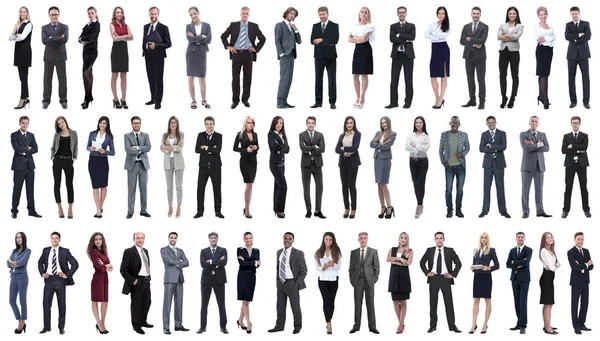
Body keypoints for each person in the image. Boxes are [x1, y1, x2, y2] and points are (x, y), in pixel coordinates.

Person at [221, 6, 266, 109]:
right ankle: (235, 101)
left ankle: (245, 99)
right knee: (235, 78)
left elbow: (263, 38)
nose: (245, 15)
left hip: (248, 54)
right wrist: (228, 46)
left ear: (249, 15)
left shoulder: (254, 26)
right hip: (236, 53)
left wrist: (256, 48)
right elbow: (223, 36)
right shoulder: (234, 25)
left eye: (247, 13)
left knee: (247, 78)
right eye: (243, 13)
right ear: (240, 14)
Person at [419, 232, 462, 333]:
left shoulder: (450, 251)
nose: (439, 240)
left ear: (444, 239)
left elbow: (459, 263)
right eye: (437, 238)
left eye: (441, 238)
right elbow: (422, 262)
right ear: (434, 240)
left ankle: (452, 326)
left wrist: (452, 274)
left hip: (445, 278)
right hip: (433, 279)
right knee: (433, 303)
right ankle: (432, 326)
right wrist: (427, 272)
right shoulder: (429, 250)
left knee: (449, 303)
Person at [38, 231, 79, 335]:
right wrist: (42, 273)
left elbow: (75, 264)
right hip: (49, 280)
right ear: (50, 239)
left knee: (61, 304)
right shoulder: (46, 250)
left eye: (56, 238)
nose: (54, 240)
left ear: (59, 239)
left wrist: (67, 275)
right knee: (46, 304)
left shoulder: (65, 251)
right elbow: (40, 262)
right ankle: (46, 327)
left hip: (60, 280)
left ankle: (61, 327)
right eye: (52, 238)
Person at [268, 232, 307, 334]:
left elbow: (304, 270)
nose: (287, 241)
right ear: (283, 239)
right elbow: (278, 267)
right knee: (280, 306)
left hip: (292, 283)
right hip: (281, 283)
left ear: (293, 241)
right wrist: (277, 281)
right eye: (285, 238)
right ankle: (279, 326)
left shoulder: (298, 253)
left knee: (295, 306)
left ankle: (297, 326)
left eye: (290, 239)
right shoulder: (279, 252)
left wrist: (297, 283)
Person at [120, 232, 153, 335]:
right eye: (137, 238)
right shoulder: (129, 251)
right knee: (136, 305)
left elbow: (146, 265)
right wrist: (133, 280)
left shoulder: (146, 251)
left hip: (146, 280)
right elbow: (123, 270)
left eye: (142, 238)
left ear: (144, 239)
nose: (140, 240)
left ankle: (143, 321)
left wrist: (148, 277)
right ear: (134, 239)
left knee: (147, 302)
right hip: (136, 281)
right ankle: (136, 326)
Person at [520, 116, 551, 218]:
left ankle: (540, 211)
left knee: (539, 190)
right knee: (525, 189)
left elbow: (547, 148)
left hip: (539, 166)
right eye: (532, 121)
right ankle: (525, 211)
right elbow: (526, 148)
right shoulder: (523, 134)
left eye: (536, 121)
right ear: (529, 123)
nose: (534, 123)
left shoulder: (542, 135)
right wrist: (538, 145)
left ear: (538, 123)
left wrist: (533, 145)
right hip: (527, 166)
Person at [479, 116, 510, 218]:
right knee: (486, 188)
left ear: (496, 122)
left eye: (493, 122)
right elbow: (481, 148)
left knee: (500, 188)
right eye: (489, 123)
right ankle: (484, 210)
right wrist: (496, 149)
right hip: (488, 165)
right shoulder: (484, 134)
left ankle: (503, 211)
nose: (491, 124)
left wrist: (491, 146)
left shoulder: (502, 133)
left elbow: (504, 147)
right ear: (487, 124)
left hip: (499, 164)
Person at [349, 232, 379, 334]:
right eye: (361, 238)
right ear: (358, 240)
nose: (362, 240)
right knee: (357, 304)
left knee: (370, 304)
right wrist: (353, 280)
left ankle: (372, 327)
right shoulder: (354, 252)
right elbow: (351, 268)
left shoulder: (373, 252)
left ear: (367, 239)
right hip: (358, 281)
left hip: (369, 281)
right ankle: (356, 326)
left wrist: (374, 279)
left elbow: (376, 267)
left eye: (364, 238)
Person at [11, 116, 41, 219]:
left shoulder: (31, 135)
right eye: (23, 123)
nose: (25, 125)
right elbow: (16, 148)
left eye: (26, 123)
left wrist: (23, 150)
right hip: (19, 166)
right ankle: (14, 210)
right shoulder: (14, 135)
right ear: (19, 123)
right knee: (17, 189)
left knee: (30, 189)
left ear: (28, 124)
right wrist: (27, 149)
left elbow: (36, 148)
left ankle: (31, 211)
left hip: (30, 166)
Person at [439, 116, 470, 218]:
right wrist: (443, 161)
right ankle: (449, 210)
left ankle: (458, 210)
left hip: (461, 166)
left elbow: (468, 147)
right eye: (453, 122)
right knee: (448, 190)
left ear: (459, 124)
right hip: (449, 166)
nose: (454, 124)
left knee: (460, 190)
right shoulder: (444, 135)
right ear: (450, 123)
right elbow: (440, 150)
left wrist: (462, 153)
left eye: (456, 123)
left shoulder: (464, 135)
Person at [469, 232, 499, 334]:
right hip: (477, 276)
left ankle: (485, 324)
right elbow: (473, 263)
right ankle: (473, 324)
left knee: (487, 300)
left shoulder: (491, 250)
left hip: (486, 277)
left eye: (485, 238)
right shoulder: (476, 250)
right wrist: (472, 268)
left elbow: (497, 265)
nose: (484, 239)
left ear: (488, 239)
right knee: (476, 300)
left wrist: (488, 268)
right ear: (480, 239)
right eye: (482, 238)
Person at [198, 232, 228, 334]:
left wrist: (210, 261)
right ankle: (202, 327)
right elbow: (203, 264)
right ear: (209, 239)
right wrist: (216, 263)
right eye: (212, 238)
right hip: (206, 281)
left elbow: (224, 262)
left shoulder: (223, 250)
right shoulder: (204, 251)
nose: (213, 239)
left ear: (217, 239)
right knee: (204, 304)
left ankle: (223, 327)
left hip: (219, 280)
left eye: (215, 238)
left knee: (221, 304)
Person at [160, 232, 190, 335]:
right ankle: (166, 327)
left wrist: (178, 263)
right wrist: (180, 262)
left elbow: (187, 262)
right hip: (169, 279)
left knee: (179, 303)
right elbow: (168, 260)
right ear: (168, 238)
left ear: (177, 239)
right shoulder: (164, 250)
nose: (173, 239)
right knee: (167, 304)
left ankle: (178, 325)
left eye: (175, 238)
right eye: (171, 237)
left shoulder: (180, 250)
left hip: (179, 279)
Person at [143, 6, 171, 110]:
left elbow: (168, 43)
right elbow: (144, 40)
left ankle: (158, 101)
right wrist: (145, 48)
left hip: (158, 57)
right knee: (150, 78)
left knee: (158, 79)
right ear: (149, 14)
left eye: (155, 14)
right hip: (148, 56)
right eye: (151, 14)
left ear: (158, 15)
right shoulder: (146, 27)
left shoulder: (163, 28)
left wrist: (156, 46)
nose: (153, 16)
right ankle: (153, 98)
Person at [386, 6, 415, 109]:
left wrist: (399, 36)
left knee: (408, 80)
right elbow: (391, 39)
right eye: (399, 13)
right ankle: (393, 102)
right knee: (394, 80)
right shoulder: (393, 26)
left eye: (403, 12)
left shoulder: (411, 26)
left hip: (408, 56)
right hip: (397, 56)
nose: (401, 14)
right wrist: (405, 38)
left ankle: (408, 102)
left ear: (406, 13)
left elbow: (412, 37)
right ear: (397, 14)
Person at [562, 116, 590, 218]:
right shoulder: (566, 136)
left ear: (580, 124)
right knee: (568, 188)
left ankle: (586, 209)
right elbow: (563, 150)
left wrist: (572, 146)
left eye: (577, 123)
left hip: (582, 164)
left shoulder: (584, 135)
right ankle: (565, 210)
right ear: (571, 124)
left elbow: (585, 147)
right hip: (570, 164)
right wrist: (579, 150)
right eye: (573, 123)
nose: (575, 124)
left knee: (584, 187)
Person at [195, 116, 224, 219]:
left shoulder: (219, 136)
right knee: (200, 189)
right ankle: (199, 211)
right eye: (207, 124)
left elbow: (218, 150)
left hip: (215, 166)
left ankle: (218, 211)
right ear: (205, 125)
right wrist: (211, 148)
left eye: (211, 124)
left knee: (217, 189)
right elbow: (197, 149)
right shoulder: (200, 135)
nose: (209, 126)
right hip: (203, 166)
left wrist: (205, 147)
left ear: (214, 124)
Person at [460, 7, 488, 110]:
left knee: (481, 80)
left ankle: (482, 101)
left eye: (477, 14)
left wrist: (470, 39)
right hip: (468, 56)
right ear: (471, 14)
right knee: (470, 79)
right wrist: (474, 43)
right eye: (474, 13)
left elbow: (482, 40)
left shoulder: (484, 26)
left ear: (480, 15)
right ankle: (472, 100)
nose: (475, 15)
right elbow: (462, 41)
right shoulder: (466, 26)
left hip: (480, 57)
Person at [310, 6, 338, 109]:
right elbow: (312, 40)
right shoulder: (315, 26)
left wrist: (321, 40)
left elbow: (335, 40)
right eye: (320, 14)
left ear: (327, 14)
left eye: (324, 14)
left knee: (332, 80)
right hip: (318, 57)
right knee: (318, 79)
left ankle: (332, 102)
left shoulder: (334, 26)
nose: (322, 16)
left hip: (331, 57)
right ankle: (318, 102)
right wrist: (328, 41)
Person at [87, 116, 115, 218]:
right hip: (93, 161)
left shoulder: (109, 137)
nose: (102, 125)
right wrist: (91, 148)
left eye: (104, 123)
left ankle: (100, 207)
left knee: (103, 185)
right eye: (100, 123)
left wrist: (105, 151)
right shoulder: (92, 134)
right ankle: (98, 209)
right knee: (95, 185)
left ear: (107, 125)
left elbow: (113, 152)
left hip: (103, 161)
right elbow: (87, 146)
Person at [42, 6, 69, 109]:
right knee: (47, 80)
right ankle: (46, 101)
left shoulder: (64, 27)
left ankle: (63, 101)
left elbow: (65, 39)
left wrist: (51, 38)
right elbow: (44, 40)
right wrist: (58, 38)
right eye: (52, 14)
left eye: (56, 14)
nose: (54, 16)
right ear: (49, 16)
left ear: (59, 15)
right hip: (48, 57)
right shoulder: (44, 28)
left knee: (62, 80)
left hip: (61, 56)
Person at [124, 116, 151, 219]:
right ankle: (130, 212)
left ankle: (143, 211)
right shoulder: (127, 136)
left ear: (141, 124)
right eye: (135, 123)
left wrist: (138, 148)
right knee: (131, 189)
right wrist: (141, 150)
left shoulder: (145, 135)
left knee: (144, 189)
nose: (137, 125)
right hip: (132, 165)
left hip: (143, 165)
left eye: (138, 123)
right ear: (131, 124)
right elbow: (127, 149)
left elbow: (149, 147)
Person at [51, 116, 77, 219]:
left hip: (68, 161)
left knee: (69, 184)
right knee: (57, 183)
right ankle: (60, 207)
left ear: (65, 122)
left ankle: (70, 208)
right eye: (59, 124)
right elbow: (53, 147)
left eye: (62, 122)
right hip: (57, 160)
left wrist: (74, 158)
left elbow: (76, 147)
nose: (61, 124)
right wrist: (52, 156)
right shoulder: (57, 134)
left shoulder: (74, 133)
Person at [300, 116, 326, 218]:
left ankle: (318, 211)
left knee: (319, 188)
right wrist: (315, 147)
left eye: (312, 123)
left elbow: (323, 149)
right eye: (309, 123)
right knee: (306, 188)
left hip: (317, 164)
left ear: (315, 124)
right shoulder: (302, 135)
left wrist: (309, 149)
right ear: (306, 124)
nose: (311, 124)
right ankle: (308, 210)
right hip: (305, 165)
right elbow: (302, 147)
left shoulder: (320, 135)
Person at [315, 232, 341, 335]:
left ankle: (329, 318)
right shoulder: (319, 252)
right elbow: (316, 267)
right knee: (326, 300)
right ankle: (328, 323)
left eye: (330, 240)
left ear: (333, 240)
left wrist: (333, 264)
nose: (328, 241)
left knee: (332, 302)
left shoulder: (336, 251)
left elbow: (339, 267)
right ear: (323, 240)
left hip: (333, 279)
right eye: (326, 240)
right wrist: (323, 268)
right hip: (322, 280)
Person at [370, 116, 396, 219]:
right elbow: (371, 144)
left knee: (384, 184)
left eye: (385, 123)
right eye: (382, 123)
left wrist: (379, 144)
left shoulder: (392, 134)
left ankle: (389, 207)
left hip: (385, 160)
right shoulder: (378, 133)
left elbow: (387, 147)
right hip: (377, 159)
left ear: (388, 123)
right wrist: (381, 143)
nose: (384, 124)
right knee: (379, 184)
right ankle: (382, 207)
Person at [275, 7, 301, 108]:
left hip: (292, 55)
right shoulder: (279, 25)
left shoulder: (292, 27)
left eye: (294, 14)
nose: (292, 16)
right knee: (284, 78)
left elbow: (299, 41)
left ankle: (284, 101)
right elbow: (277, 41)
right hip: (285, 55)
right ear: (286, 13)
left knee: (289, 79)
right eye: (291, 13)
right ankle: (279, 102)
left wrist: (296, 30)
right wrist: (281, 53)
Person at [506, 231, 532, 334]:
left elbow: (526, 262)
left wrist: (514, 262)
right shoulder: (512, 250)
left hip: (524, 279)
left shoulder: (528, 250)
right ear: (516, 238)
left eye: (522, 237)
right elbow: (508, 264)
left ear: (524, 238)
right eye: (518, 237)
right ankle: (518, 323)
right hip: (514, 279)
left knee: (523, 301)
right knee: (516, 301)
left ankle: (523, 325)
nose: (520, 239)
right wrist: (517, 263)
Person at [567, 232, 593, 334]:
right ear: (574, 239)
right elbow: (574, 267)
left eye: (582, 239)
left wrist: (582, 265)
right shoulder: (571, 252)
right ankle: (576, 326)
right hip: (576, 282)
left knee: (585, 303)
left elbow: (592, 266)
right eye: (578, 239)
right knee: (575, 304)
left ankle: (582, 324)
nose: (580, 241)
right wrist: (586, 264)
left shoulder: (586, 251)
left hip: (586, 281)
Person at [566, 6, 591, 109]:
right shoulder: (568, 25)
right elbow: (567, 36)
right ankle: (573, 101)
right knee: (571, 78)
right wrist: (579, 35)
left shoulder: (586, 24)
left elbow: (588, 36)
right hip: (571, 55)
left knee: (585, 78)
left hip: (583, 54)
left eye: (576, 14)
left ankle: (586, 102)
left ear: (579, 13)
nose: (574, 16)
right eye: (572, 14)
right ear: (571, 14)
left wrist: (575, 38)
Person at [186, 7, 212, 109]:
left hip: (201, 53)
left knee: (202, 77)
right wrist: (202, 36)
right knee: (191, 77)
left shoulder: (206, 25)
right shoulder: (188, 26)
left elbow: (209, 40)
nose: (193, 16)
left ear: (198, 13)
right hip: (191, 53)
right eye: (191, 15)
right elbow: (189, 39)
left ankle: (204, 100)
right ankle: (193, 101)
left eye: (194, 13)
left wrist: (195, 37)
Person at [233, 116, 259, 218]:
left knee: (250, 185)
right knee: (249, 184)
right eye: (248, 122)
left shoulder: (255, 134)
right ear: (245, 124)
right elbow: (235, 148)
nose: (250, 124)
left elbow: (257, 146)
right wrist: (245, 150)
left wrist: (256, 147)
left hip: (253, 161)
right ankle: (247, 209)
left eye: (252, 122)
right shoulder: (240, 134)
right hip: (245, 161)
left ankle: (246, 207)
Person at [336, 116, 361, 219]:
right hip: (343, 163)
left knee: (351, 185)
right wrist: (346, 152)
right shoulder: (342, 135)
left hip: (353, 163)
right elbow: (337, 149)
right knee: (344, 186)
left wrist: (344, 148)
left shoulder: (357, 134)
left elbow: (355, 147)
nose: (349, 125)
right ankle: (346, 207)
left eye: (351, 123)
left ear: (354, 124)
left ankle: (353, 208)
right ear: (345, 124)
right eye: (347, 123)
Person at [387, 232, 412, 334]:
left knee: (403, 301)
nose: (403, 239)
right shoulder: (392, 249)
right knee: (395, 302)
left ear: (407, 240)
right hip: (393, 277)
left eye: (405, 238)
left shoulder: (409, 251)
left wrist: (395, 261)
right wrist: (399, 259)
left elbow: (408, 263)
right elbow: (388, 259)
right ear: (398, 238)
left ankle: (400, 325)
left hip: (404, 277)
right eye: (401, 237)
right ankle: (401, 323)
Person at [498, 6, 523, 108]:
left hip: (514, 53)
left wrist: (505, 36)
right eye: (510, 13)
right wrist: (511, 36)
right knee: (502, 76)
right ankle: (504, 97)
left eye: (513, 13)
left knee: (514, 75)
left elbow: (517, 37)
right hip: (503, 52)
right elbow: (498, 36)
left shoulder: (520, 26)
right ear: (507, 15)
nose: (512, 15)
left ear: (516, 15)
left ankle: (512, 97)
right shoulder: (503, 25)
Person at [87, 232, 112, 334]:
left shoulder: (103, 252)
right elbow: (100, 267)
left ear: (102, 241)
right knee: (96, 301)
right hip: (97, 279)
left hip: (105, 279)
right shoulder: (94, 252)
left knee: (105, 301)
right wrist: (105, 266)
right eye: (96, 239)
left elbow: (111, 266)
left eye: (100, 239)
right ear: (93, 241)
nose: (98, 241)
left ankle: (102, 323)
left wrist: (105, 266)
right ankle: (99, 323)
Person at [425, 6, 450, 109]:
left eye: (443, 13)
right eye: (439, 13)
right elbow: (426, 35)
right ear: (437, 14)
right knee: (433, 77)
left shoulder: (447, 25)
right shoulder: (432, 24)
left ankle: (440, 99)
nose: (441, 15)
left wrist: (433, 34)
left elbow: (444, 36)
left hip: (443, 49)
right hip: (434, 50)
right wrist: (437, 35)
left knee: (443, 76)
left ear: (445, 15)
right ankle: (438, 98)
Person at [349, 7, 374, 109]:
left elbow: (364, 39)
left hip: (366, 50)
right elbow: (348, 38)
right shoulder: (355, 26)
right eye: (362, 12)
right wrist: (358, 40)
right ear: (359, 14)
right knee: (355, 75)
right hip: (357, 50)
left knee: (364, 74)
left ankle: (362, 98)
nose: (363, 14)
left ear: (368, 15)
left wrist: (355, 39)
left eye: (366, 12)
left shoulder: (369, 26)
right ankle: (357, 96)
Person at [160, 116, 184, 219]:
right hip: (167, 162)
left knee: (179, 186)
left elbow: (179, 148)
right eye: (171, 122)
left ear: (177, 124)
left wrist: (167, 147)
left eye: (175, 122)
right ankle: (170, 206)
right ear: (169, 124)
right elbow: (161, 148)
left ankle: (179, 206)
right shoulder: (165, 135)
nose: (173, 124)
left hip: (178, 163)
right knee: (169, 187)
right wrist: (169, 148)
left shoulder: (181, 135)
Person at [406, 116, 430, 218]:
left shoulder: (426, 136)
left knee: (421, 183)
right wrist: (418, 147)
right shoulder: (410, 135)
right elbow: (407, 147)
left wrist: (415, 146)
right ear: (414, 124)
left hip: (423, 161)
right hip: (412, 161)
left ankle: (419, 205)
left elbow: (426, 148)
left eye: (420, 122)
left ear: (423, 124)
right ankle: (419, 203)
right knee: (415, 183)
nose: (418, 124)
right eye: (417, 122)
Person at [109, 6, 133, 109]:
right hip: (116, 52)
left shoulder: (125, 25)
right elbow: (114, 39)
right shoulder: (112, 25)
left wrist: (120, 37)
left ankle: (123, 99)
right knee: (115, 75)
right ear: (114, 14)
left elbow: (132, 37)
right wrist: (125, 36)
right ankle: (115, 98)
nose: (119, 14)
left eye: (121, 13)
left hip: (124, 51)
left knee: (124, 75)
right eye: (117, 12)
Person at [9, 6, 32, 110]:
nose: (22, 14)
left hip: (25, 52)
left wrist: (17, 35)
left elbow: (22, 37)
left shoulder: (29, 24)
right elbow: (10, 37)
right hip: (18, 53)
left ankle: (22, 99)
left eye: (24, 12)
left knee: (24, 78)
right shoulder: (17, 24)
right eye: (20, 12)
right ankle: (26, 97)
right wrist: (16, 35)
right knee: (21, 78)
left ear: (27, 13)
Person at [236, 232, 260, 334]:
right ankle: (249, 323)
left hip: (252, 276)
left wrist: (247, 261)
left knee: (247, 300)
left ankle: (240, 320)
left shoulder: (256, 250)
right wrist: (253, 262)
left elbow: (258, 264)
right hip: (242, 276)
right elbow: (241, 263)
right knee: (245, 301)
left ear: (252, 238)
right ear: (244, 239)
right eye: (246, 238)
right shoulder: (239, 249)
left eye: (250, 238)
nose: (248, 240)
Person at [8, 232, 30, 334]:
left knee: (22, 300)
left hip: (22, 278)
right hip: (13, 277)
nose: (18, 239)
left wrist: (11, 261)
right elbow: (8, 264)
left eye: (20, 237)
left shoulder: (27, 251)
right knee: (12, 301)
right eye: (17, 237)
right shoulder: (14, 251)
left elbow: (21, 263)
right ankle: (20, 320)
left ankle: (22, 322)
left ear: (23, 238)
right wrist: (12, 263)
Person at [78, 7, 100, 109]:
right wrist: (82, 39)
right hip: (85, 51)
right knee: (89, 72)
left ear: (95, 13)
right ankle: (90, 96)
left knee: (85, 74)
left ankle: (87, 98)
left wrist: (83, 39)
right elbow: (79, 38)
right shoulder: (87, 25)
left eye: (92, 13)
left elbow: (91, 37)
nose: (90, 15)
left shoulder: (96, 24)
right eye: (89, 13)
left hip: (92, 52)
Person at [539, 232, 560, 335]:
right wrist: (553, 266)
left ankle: (546, 325)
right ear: (544, 240)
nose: (550, 239)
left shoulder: (551, 251)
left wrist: (553, 266)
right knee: (548, 303)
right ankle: (548, 328)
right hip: (546, 278)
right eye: (548, 237)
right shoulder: (543, 250)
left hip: (550, 277)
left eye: (551, 237)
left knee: (548, 303)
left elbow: (558, 263)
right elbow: (552, 267)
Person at [269, 116, 289, 219]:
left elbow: (287, 149)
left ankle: (275, 209)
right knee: (283, 186)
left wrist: (281, 147)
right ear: (274, 123)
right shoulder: (271, 134)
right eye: (278, 123)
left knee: (277, 187)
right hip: (274, 164)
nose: (279, 125)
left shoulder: (282, 135)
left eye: (281, 123)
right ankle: (280, 210)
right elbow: (274, 146)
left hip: (282, 164)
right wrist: (282, 146)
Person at [535, 7, 555, 110]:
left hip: (549, 51)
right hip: (541, 51)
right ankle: (545, 100)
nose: (543, 16)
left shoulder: (550, 26)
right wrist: (548, 39)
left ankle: (541, 96)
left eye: (544, 14)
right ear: (538, 16)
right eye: (541, 14)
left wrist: (546, 39)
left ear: (547, 14)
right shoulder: (537, 26)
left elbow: (554, 37)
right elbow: (539, 39)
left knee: (544, 73)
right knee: (544, 74)